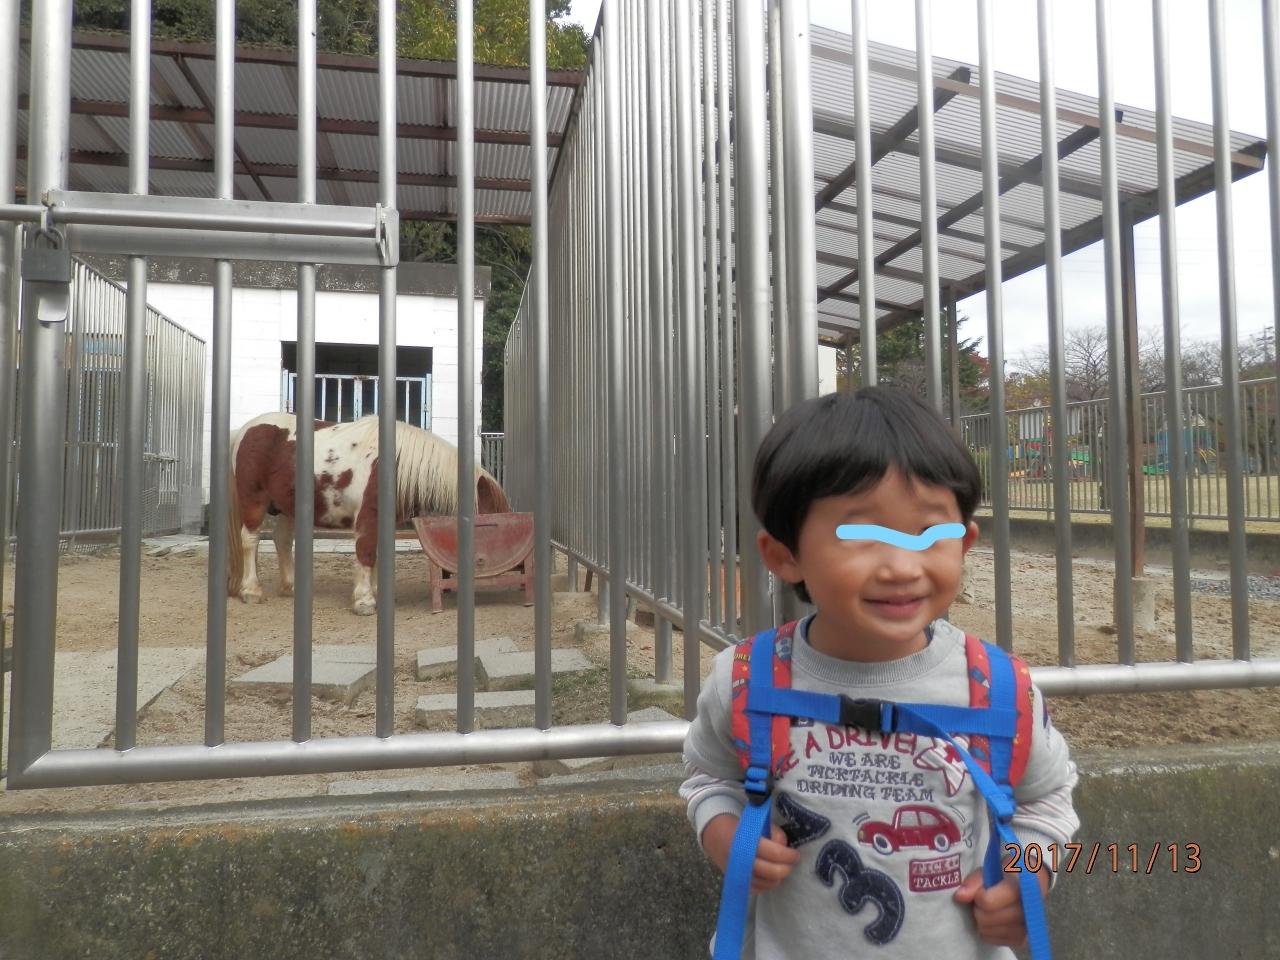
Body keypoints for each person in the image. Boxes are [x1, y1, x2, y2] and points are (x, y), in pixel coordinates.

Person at [681, 386, 1079, 960]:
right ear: (785, 555)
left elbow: (1047, 801)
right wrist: (726, 835)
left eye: (930, 534)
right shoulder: (749, 680)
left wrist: (1030, 875)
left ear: (964, 542)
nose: (901, 567)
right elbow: (708, 777)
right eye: (863, 537)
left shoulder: (998, 690)